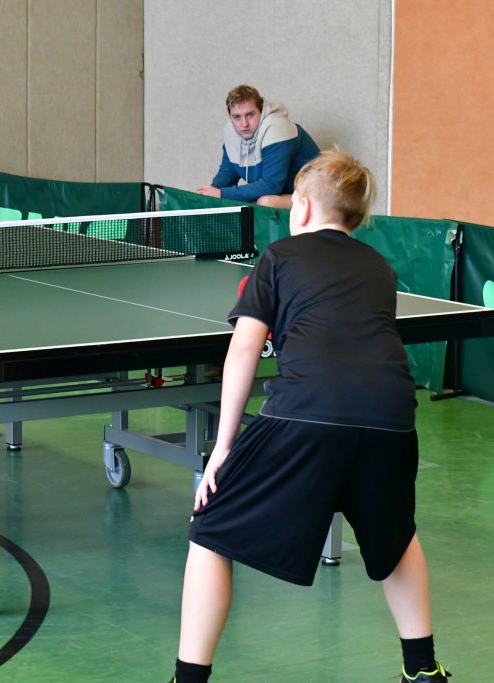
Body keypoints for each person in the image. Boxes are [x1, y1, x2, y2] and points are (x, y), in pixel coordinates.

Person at [172, 149, 450, 682]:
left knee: (209, 528)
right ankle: (423, 671)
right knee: (396, 538)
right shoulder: (380, 267)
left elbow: (244, 350)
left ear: (300, 207)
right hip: (392, 418)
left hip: (307, 412)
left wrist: (223, 449)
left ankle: (188, 679)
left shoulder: (278, 256)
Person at [196, 84, 320, 209]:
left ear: (261, 110)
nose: (244, 124)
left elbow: (271, 185)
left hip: (317, 195)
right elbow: (227, 174)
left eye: (250, 115)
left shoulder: (277, 128)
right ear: (229, 116)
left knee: (266, 202)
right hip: (288, 195)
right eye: (237, 117)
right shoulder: (231, 132)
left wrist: (221, 194)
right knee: (222, 201)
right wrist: (208, 195)